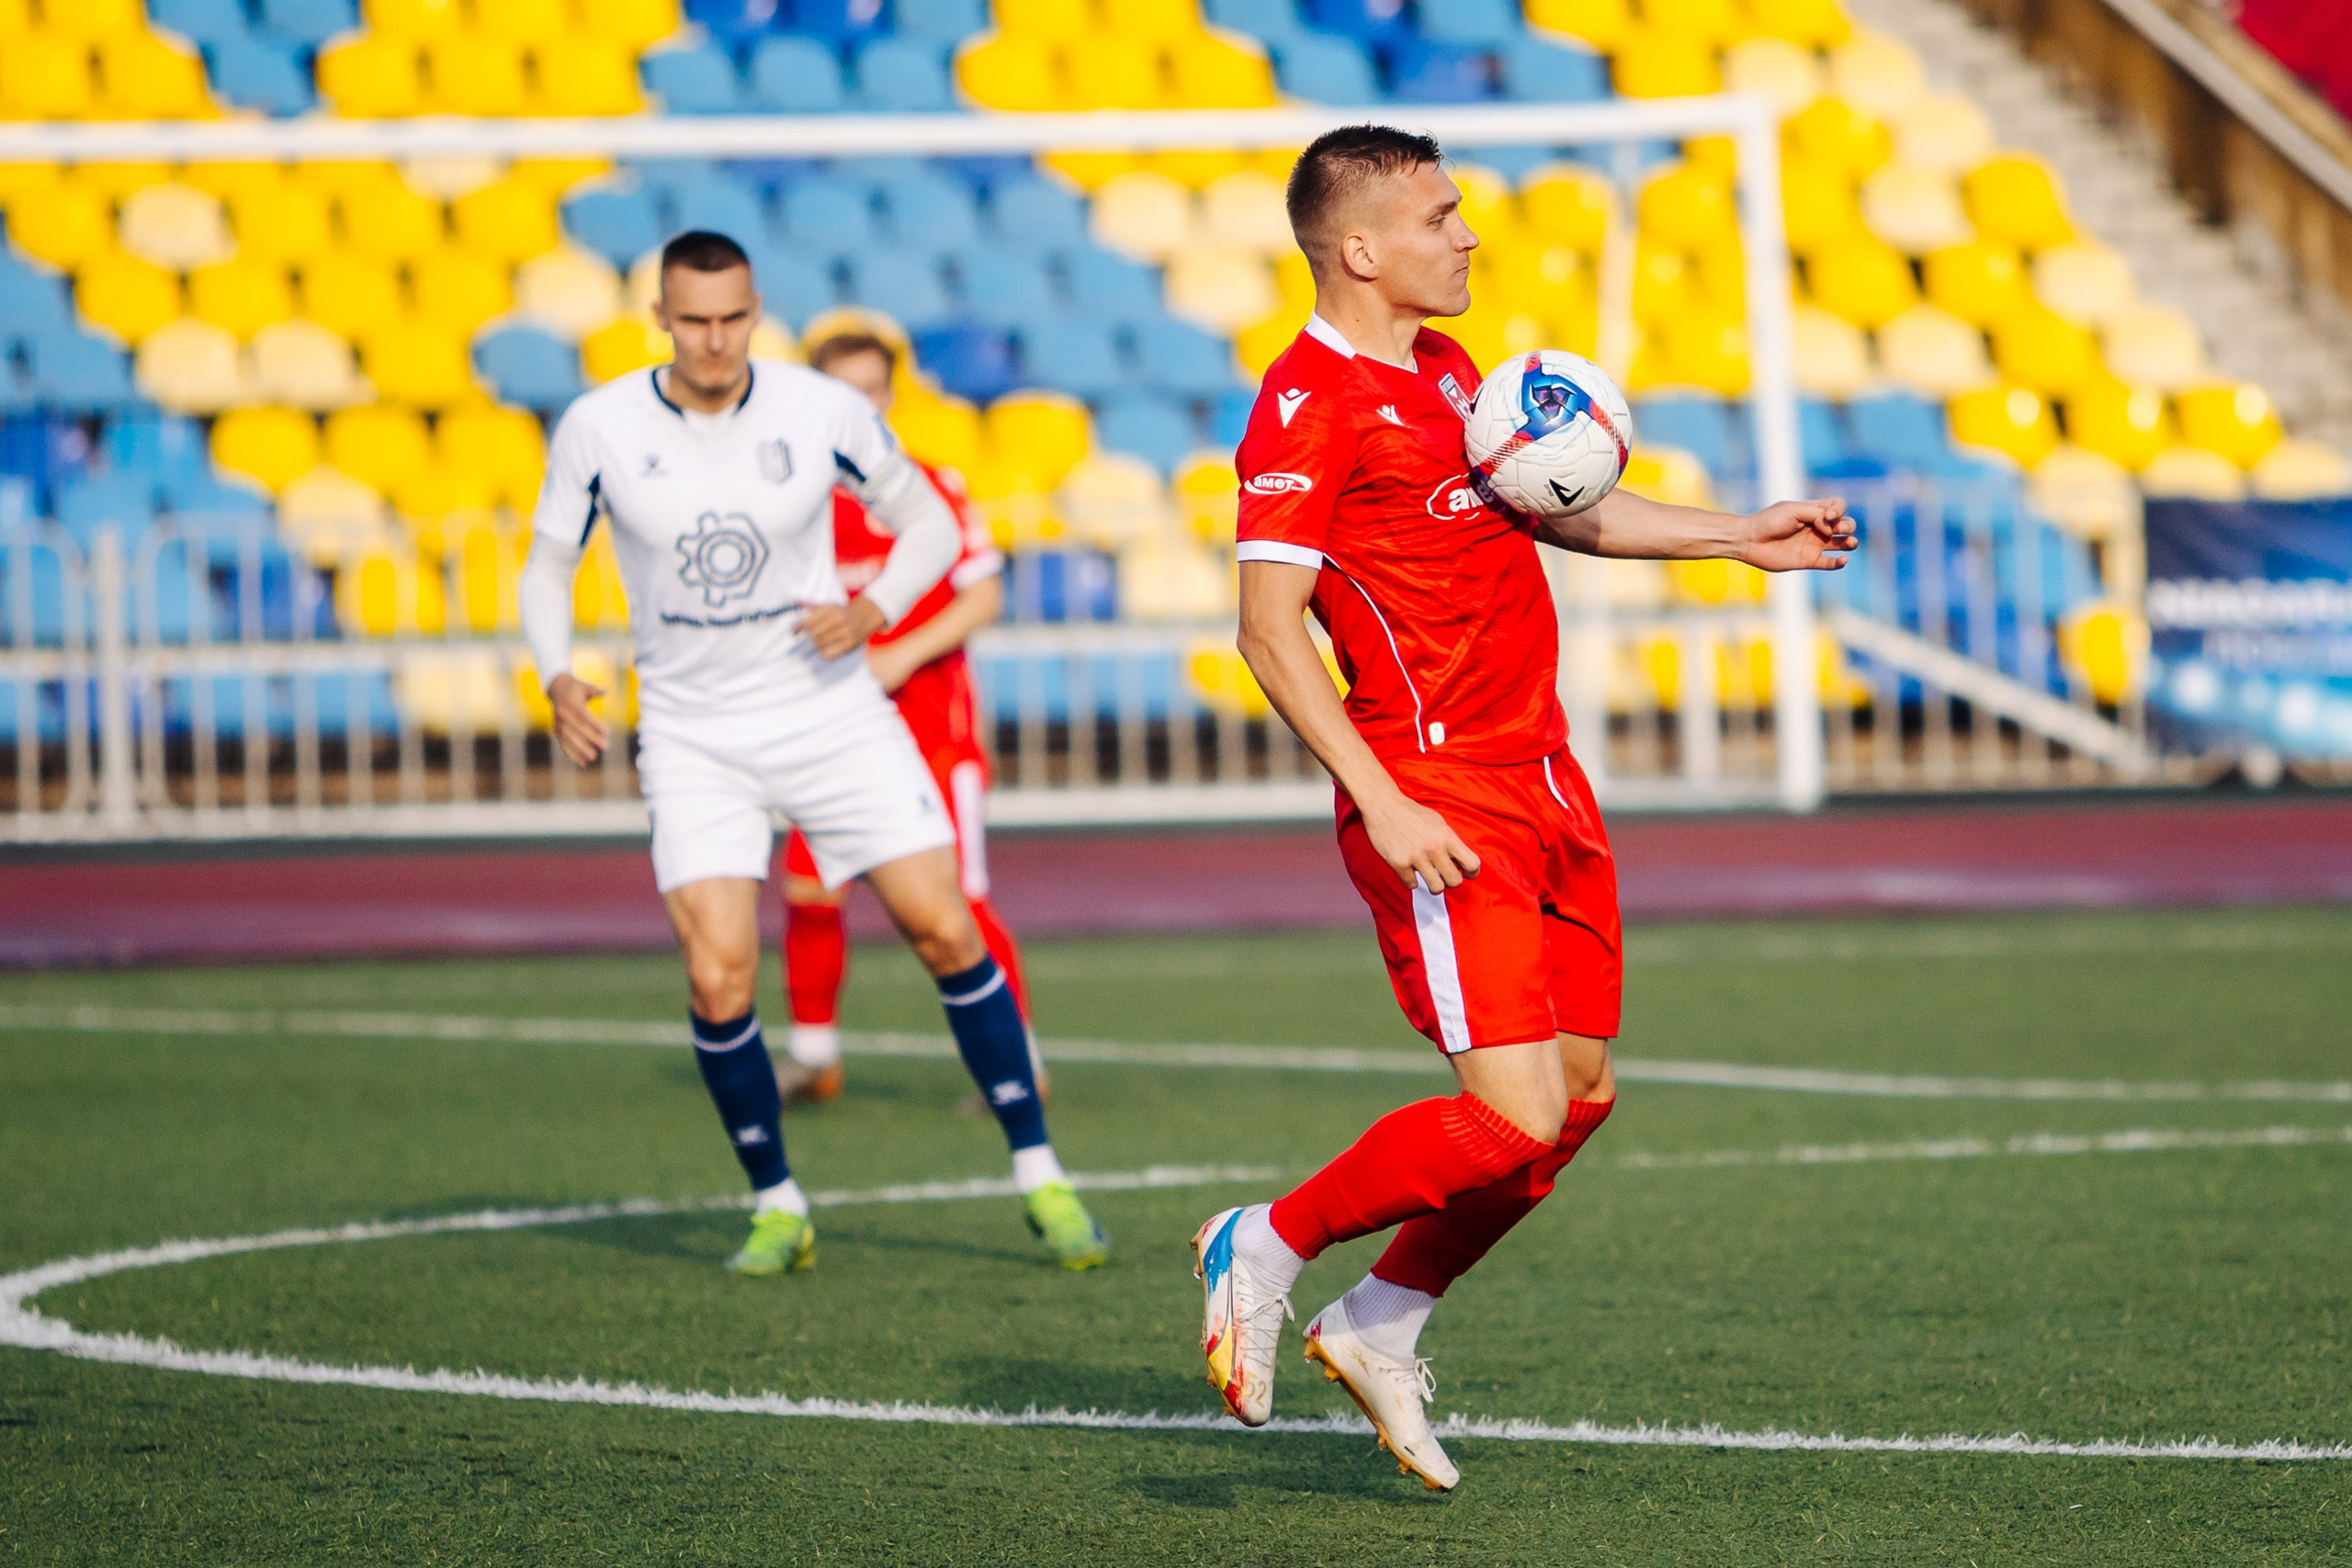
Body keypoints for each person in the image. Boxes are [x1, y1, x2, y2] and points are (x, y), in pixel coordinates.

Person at [1190, 128, 1854, 1489]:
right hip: (1434, 792)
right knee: (1510, 1112)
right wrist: (1376, 799)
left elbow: (1561, 512)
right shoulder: (1307, 404)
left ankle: (1384, 1319)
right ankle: (1262, 1239)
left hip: (1545, 773)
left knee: (1584, 1090)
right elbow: (1268, 630)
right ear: (1360, 247)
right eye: (1440, 218)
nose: (1466, 235)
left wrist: (1740, 533)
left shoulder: (1449, 372)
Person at [519, 230, 1109, 1276]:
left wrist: (875, 606)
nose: (712, 340)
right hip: (694, 733)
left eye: (731, 318)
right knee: (718, 975)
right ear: (662, 318)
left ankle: (1041, 1176)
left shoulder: (817, 410)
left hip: (828, 713)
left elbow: (924, 521)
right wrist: (557, 671)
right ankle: (777, 1202)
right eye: (692, 320)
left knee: (944, 930)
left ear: (755, 313)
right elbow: (550, 559)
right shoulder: (600, 425)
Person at [773, 326, 1040, 1109]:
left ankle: (1019, 1063)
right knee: (811, 890)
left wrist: (902, 654)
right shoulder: (795, 508)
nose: (858, 405)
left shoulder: (931, 485)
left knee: (957, 900)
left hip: (932, 733)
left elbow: (983, 594)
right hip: (829, 735)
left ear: (890, 396)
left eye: (871, 389)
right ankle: (815, 1057)